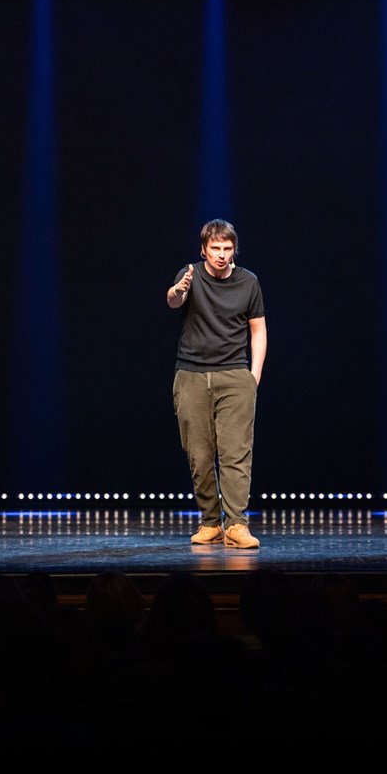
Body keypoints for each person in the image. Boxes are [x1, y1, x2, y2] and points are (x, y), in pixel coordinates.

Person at [167, 218, 267, 548]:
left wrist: (253, 377)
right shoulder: (190, 275)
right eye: (215, 248)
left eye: (227, 248)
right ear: (204, 250)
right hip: (192, 375)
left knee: (235, 452)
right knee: (198, 455)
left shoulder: (248, 281)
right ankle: (210, 521)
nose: (221, 254)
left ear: (234, 249)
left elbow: (258, 330)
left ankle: (237, 524)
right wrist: (179, 289)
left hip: (234, 375)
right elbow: (173, 300)